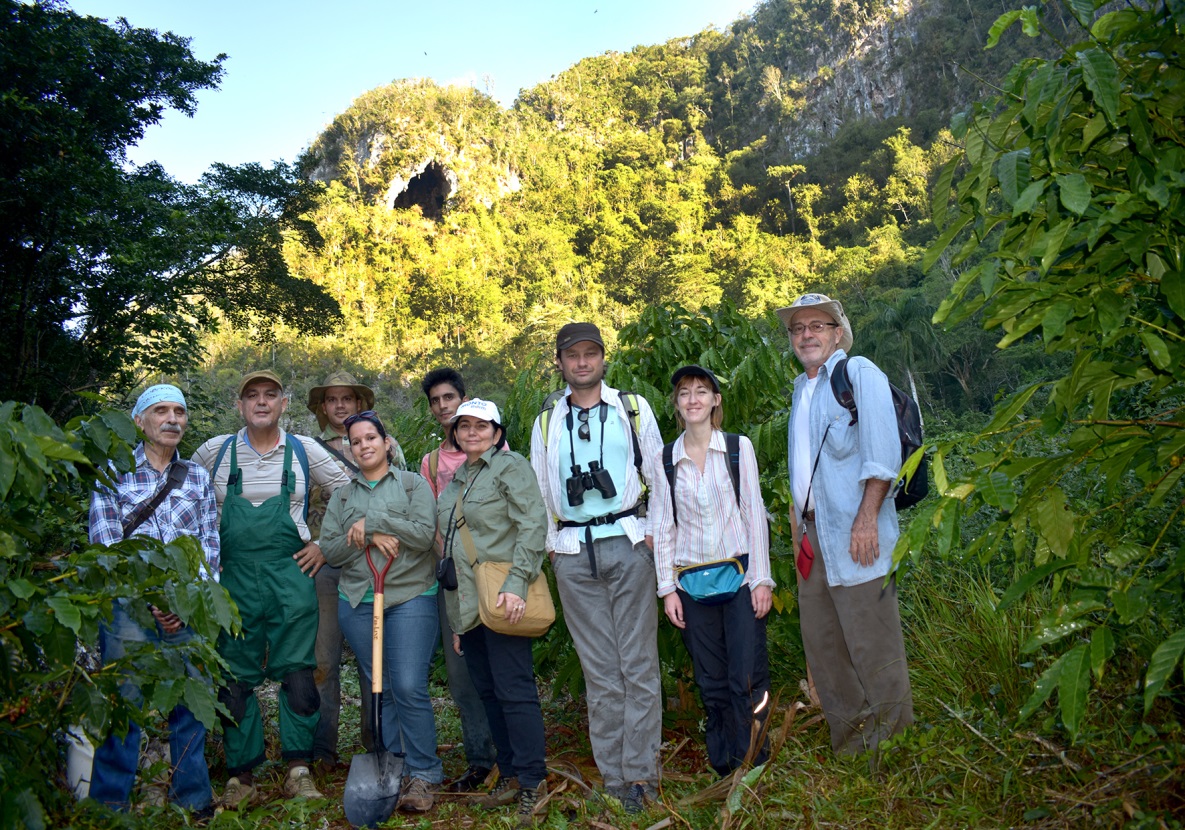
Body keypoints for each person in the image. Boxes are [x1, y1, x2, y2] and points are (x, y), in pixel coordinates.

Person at [192, 370, 351, 806]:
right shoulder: (213, 452)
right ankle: (241, 776)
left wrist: (324, 544)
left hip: (291, 573)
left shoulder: (304, 450)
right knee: (234, 676)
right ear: (238, 406)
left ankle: (298, 770)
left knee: (299, 672)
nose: (261, 402)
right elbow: (187, 501)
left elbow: (350, 490)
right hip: (232, 578)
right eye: (252, 396)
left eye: (270, 395)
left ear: (285, 403)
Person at [529, 322, 663, 813]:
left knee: (638, 664)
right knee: (600, 670)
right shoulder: (546, 419)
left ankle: (642, 777)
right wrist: (550, 546)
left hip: (628, 541)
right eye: (572, 355)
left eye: (591, 354)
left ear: (604, 359)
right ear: (560, 363)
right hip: (571, 550)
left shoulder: (632, 408)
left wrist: (656, 534)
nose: (582, 363)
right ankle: (613, 777)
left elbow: (658, 471)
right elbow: (540, 488)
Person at [779, 292, 914, 754]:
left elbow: (881, 454)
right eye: (798, 329)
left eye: (817, 326)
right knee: (824, 644)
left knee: (871, 639)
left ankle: (895, 745)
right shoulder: (801, 390)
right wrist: (798, 528)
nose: (806, 335)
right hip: (812, 537)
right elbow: (802, 469)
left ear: (838, 333)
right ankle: (852, 746)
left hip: (858, 529)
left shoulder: (859, 373)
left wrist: (866, 519)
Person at [86, 384, 220, 814]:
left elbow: (209, 544)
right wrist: (151, 600)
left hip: (190, 609)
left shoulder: (197, 476)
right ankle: (109, 808)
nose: (173, 419)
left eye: (180, 411)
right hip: (128, 608)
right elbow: (106, 547)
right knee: (124, 705)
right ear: (139, 420)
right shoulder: (113, 471)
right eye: (161, 410)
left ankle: (194, 801)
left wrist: (190, 602)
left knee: (193, 709)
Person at [650, 365, 774, 777]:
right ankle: (724, 762)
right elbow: (662, 525)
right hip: (691, 583)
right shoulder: (666, 458)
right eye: (684, 393)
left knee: (746, 673)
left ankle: (754, 757)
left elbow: (754, 515)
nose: (693, 400)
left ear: (715, 400)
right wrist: (667, 589)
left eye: (701, 391)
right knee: (711, 680)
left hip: (739, 578)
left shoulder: (738, 449)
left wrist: (760, 580)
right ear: (677, 405)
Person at [319, 409, 443, 812]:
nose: (364, 446)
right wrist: (366, 534)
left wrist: (373, 520)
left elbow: (424, 537)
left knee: (407, 685)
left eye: (371, 437)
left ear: (386, 442)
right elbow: (331, 550)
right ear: (350, 450)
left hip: (410, 596)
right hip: (358, 600)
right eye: (356, 442)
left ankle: (424, 773)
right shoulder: (341, 496)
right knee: (381, 689)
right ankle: (392, 768)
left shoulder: (413, 485)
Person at [438, 400, 549, 827]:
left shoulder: (510, 467)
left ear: (497, 431)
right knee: (489, 692)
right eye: (464, 426)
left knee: (514, 688)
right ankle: (513, 773)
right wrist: (459, 621)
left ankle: (533, 782)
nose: (471, 432)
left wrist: (518, 583)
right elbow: (454, 552)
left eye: (481, 425)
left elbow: (532, 524)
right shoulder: (456, 480)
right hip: (471, 605)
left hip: (505, 594)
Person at [304, 371, 401, 767]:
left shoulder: (385, 445)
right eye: (332, 400)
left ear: (360, 405)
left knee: (372, 655)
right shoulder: (308, 451)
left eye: (347, 398)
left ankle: (377, 742)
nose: (340, 405)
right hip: (325, 566)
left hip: (374, 564)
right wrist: (319, 546)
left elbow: (400, 496)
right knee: (323, 660)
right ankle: (323, 748)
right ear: (323, 408)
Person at [418, 367, 497, 791]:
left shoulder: (493, 447)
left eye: (450, 397)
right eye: (436, 401)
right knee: (463, 674)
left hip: (496, 574)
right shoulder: (431, 463)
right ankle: (481, 760)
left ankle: (515, 757)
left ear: (464, 399)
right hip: (453, 581)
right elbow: (431, 522)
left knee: (502, 666)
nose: (444, 406)